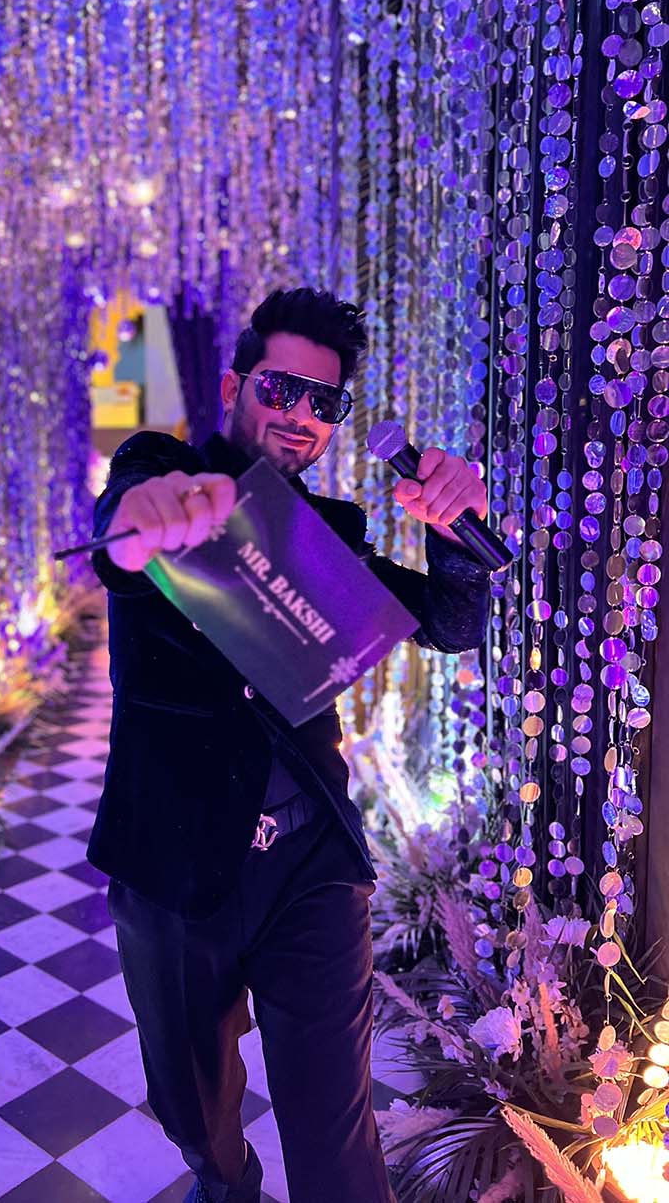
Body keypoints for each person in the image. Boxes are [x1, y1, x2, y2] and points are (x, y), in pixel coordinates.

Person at [87, 288, 491, 1202]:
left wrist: (457, 533)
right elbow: (124, 525)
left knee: (337, 1137)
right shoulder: (167, 469)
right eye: (279, 388)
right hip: (174, 862)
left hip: (312, 863)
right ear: (236, 386)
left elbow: (452, 623)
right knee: (193, 1112)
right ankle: (226, 1182)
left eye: (324, 400)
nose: (300, 413)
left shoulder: (326, 537)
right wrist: (147, 518)